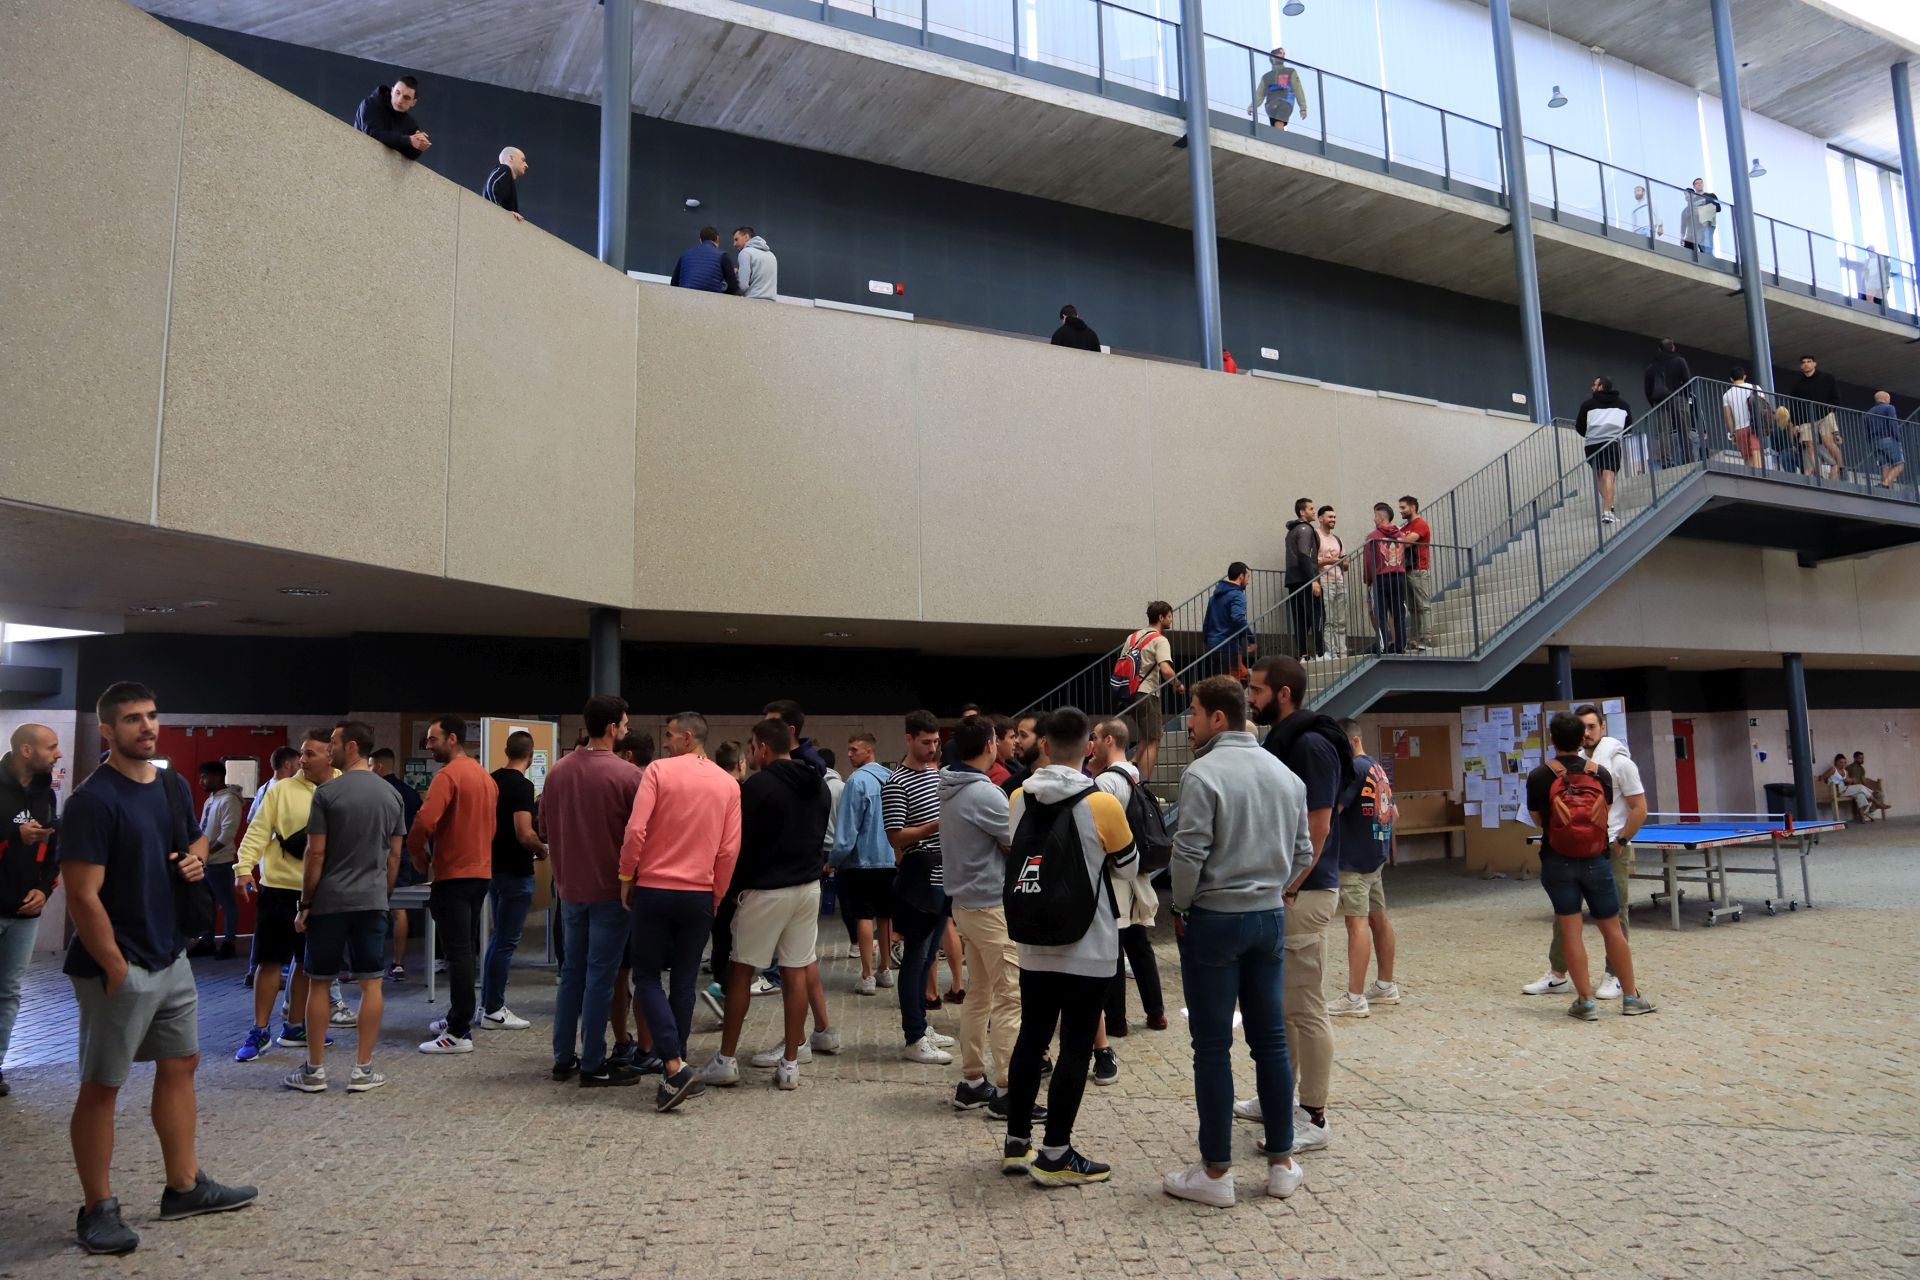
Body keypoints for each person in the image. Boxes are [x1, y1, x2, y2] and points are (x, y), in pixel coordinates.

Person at [61, 682, 256, 1255]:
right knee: (103, 1085)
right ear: (107, 731)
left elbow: (192, 837)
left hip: (171, 954)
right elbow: (81, 896)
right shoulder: (92, 801)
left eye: (150, 717)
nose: (145, 727)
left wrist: (196, 857)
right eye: (131, 720)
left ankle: (185, 1185)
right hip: (118, 963)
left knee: (182, 1063)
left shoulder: (169, 783)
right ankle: (97, 1206)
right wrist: (115, 965)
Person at [1160, 676, 1309, 1206]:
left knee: (1212, 1046)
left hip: (1215, 921)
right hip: (1269, 917)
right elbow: (1304, 852)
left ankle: (1217, 1173)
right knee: (1270, 1041)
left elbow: (1188, 854)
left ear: (1218, 718)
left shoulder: (1203, 774)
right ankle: (1282, 1163)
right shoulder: (1285, 775)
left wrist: (1182, 905)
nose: (1190, 722)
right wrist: (1274, 887)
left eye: (1194, 713)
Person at [1000, 707, 1139, 1186]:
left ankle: (1017, 1145)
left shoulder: (1018, 797)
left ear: (1043, 746)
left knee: (1031, 1038)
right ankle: (1056, 1154)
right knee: (1076, 1046)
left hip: (1034, 941)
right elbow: (1128, 866)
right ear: (1087, 748)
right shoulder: (1101, 803)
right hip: (1089, 942)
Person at [1245, 657, 1350, 1151]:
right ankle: (1277, 1098)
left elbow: (1319, 826)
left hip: (1305, 890)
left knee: (1305, 1006)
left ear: (1283, 693)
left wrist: (1288, 886)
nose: (1251, 697)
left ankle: (1315, 1116)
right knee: (1283, 1005)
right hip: (1290, 887)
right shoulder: (1285, 741)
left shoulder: (1308, 745)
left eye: (1257, 690)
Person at [620, 709, 739, 1110]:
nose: (665, 741)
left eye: (670, 735)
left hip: (654, 888)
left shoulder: (657, 772)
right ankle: (681, 1066)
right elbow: (728, 849)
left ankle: (672, 1064)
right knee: (684, 982)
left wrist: (626, 876)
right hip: (699, 893)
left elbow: (636, 829)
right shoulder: (728, 784)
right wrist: (717, 893)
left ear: (688, 737)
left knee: (647, 975)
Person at [284, 721, 406, 1094]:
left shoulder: (327, 793)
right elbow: (394, 855)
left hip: (330, 903)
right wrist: (381, 897)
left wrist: (305, 904)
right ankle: (363, 1070)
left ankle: (315, 1071)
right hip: (371, 901)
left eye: (334, 743)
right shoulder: (392, 796)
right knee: (371, 985)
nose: (330, 748)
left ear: (351, 747)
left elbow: (315, 852)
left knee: (320, 983)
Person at [707, 718, 828, 1092]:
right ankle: (791, 1063)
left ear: (761, 747)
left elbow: (739, 841)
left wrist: (728, 889)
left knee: (741, 969)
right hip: (808, 887)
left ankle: (726, 1059)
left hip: (765, 891)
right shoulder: (819, 785)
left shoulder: (758, 787)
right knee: (796, 971)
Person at [1526, 712, 1655, 1019]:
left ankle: (1584, 1001)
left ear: (1553, 740)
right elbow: (1605, 813)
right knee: (1612, 928)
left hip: (1557, 860)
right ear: (1581, 737)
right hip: (1597, 858)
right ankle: (1631, 997)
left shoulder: (1540, 776)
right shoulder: (1601, 774)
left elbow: (1538, 820)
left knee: (1571, 931)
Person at [544, 696, 645, 1087]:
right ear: (610, 728)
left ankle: (562, 1057)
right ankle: (593, 1063)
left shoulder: (557, 772)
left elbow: (546, 829)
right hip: (610, 890)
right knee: (602, 976)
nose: (625, 729)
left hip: (569, 888)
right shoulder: (628, 776)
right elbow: (640, 836)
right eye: (623, 724)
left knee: (572, 973)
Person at [233, 731, 338, 1065]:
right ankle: (259, 1030)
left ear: (331, 755)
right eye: (302, 753)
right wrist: (243, 869)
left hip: (320, 891)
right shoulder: (281, 791)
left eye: (310, 754)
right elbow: (257, 832)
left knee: (307, 963)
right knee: (269, 961)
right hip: (279, 889)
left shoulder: (341, 787)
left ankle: (294, 1026)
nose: (302, 760)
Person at [940, 715, 1021, 1111]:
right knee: (1010, 994)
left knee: (981, 994)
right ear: (990, 744)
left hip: (965, 903)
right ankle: (1008, 1089)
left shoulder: (949, 786)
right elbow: (1016, 841)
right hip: (991, 905)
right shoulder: (985, 794)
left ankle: (973, 1080)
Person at [407, 715, 498, 1055]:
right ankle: (458, 1014)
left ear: (453, 738)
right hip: (479, 875)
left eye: (433, 739)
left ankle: (459, 1032)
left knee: (458, 953)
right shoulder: (484, 777)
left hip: (454, 876)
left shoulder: (448, 776)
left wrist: (417, 853)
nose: (428, 746)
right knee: (466, 951)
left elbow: (424, 821)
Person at [884, 710, 955, 1065]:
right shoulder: (896, 781)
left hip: (944, 872)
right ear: (909, 739)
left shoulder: (936, 774)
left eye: (936, 742)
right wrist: (935, 826)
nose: (932, 748)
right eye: (926, 742)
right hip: (920, 873)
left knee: (929, 956)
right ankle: (914, 1035)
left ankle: (922, 1027)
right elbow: (895, 835)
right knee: (915, 956)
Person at [1089, 720, 1166, 1036]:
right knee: (1140, 944)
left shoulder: (1106, 781)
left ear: (1109, 739)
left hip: (1115, 872)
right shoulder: (1135, 774)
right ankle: (1156, 1012)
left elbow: (1096, 827)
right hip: (1138, 870)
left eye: (1095, 737)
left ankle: (1117, 1021)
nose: (1091, 743)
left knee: (1114, 947)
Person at [0, 723, 60, 1097]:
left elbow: (53, 851)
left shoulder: (46, 793)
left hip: (25, 915)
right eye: (51, 747)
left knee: (8, 993)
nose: (58, 753)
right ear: (26, 750)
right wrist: (11, 838)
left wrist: (43, 889)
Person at [1329, 720, 1398, 1017]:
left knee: (1355, 924)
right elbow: (1394, 811)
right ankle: (1385, 986)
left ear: (1354, 741)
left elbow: (1334, 812)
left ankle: (1354, 998)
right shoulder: (1377, 768)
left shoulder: (1354, 769)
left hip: (1354, 860)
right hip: (1374, 856)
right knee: (1378, 918)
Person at [480, 731, 546, 1032]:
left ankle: (488, 1003)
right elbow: (524, 832)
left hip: (492, 868)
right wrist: (540, 848)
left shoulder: (490, 780)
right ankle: (494, 1008)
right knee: (505, 941)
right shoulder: (522, 786)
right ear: (531, 757)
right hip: (517, 872)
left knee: (497, 939)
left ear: (506, 750)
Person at [831, 731, 896, 993]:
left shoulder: (856, 782)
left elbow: (847, 831)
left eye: (854, 750)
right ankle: (886, 970)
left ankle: (867, 975)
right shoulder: (891, 778)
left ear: (869, 750)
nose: (849, 754)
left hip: (862, 861)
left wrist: (835, 859)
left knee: (863, 916)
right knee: (886, 916)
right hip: (890, 858)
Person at [371, 748, 423, 980]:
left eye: (371, 766)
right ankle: (399, 964)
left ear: (380, 766)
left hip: (380, 854)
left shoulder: (376, 792)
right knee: (399, 909)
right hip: (405, 854)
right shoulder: (411, 793)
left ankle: (371, 962)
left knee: (374, 907)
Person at [1117, 601, 1181, 784]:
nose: (1171, 619)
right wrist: (1177, 684)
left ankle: (1134, 761)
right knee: (1154, 739)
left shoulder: (1133, 637)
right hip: (1147, 694)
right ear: (1161, 617)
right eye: (1169, 616)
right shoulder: (1159, 639)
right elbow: (1166, 670)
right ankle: (1142, 786)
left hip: (1128, 691)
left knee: (1152, 732)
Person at [187, 761, 242, 960]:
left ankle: (229, 943)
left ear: (218, 777)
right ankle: (207, 940)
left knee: (227, 902)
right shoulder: (211, 799)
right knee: (208, 903)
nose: (201, 781)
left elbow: (227, 833)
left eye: (205, 777)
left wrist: (207, 852)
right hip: (206, 861)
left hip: (220, 862)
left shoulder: (229, 800)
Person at [1574, 376, 1633, 524]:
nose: (1592, 387)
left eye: (1594, 384)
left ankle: (1610, 507)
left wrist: (1591, 435)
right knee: (1609, 476)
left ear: (1601, 387)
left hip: (1592, 444)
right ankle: (1607, 512)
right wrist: (1617, 434)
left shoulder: (1587, 404)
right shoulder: (1623, 405)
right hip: (1611, 443)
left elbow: (1580, 426)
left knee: (1601, 477)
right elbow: (1629, 425)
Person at [1362, 504, 1409, 655]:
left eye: (1376, 516)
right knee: (1398, 613)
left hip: (1381, 578)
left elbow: (1369, 561)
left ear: (1381, 518)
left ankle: (1382, 647)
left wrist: (1368, 581)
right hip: (1399, 576)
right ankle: (1401, 645)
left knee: (1380, 613)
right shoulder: (1401, 535)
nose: (1373, 518)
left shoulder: (1373, 537)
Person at [1643, 338, 1695, 465]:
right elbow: (1688, 380)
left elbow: (1648, 389)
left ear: (1659, 349)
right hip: (1679, 398)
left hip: (1661, 401)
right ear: (1673, 348)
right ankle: (1688, 459)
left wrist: (1653, 403)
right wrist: (1686, 396)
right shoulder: (1680, 361)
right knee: (1684, 429)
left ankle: (1666, 461)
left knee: (1663, 432)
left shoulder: (1652, 367)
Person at [353, 75, 430, 159]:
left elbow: (409, 156)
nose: (400, 100)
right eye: (397, 93)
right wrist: (408, 140)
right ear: (392, 91)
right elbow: (373, 134)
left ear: (413, 103)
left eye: (406, 98)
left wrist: (419, 146)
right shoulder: (371, 104)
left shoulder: (410, 124)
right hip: (358, 157)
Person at [1285, 497, 1322, 659]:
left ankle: (1303, 654)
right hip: (1306, 578)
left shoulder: (1292, 530)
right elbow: (1304, 554)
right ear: (1302, 512)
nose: (1314, 511)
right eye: (1311, 509)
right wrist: (1314, 579)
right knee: (1318, 615)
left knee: (1300, 618)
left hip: (1293, 579)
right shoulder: (1305, 529)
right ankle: (1321, 653)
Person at [1202, 562, 1253, 678]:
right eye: (1248, 576)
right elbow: (1238, 619)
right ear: (1241, 576)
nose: (1248, 581)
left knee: (1219, 683)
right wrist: (1251, 638)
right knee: (1232, 684)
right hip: (1229, 646)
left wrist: (1208, 642)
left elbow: (1207, 623)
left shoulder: (1214, 597)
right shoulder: (1237, 595)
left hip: (1214, 646)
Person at [1397, 495, 1434, 650]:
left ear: (1413, 507)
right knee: (1412, 607)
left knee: (1423, 605)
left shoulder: (1420, 524)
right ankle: (1414, 639)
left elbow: (1404, 542)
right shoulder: (1406, 527)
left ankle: (1427, 639)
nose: (1400, 511)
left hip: (1419, 568)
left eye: (1403, 507)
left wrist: (1401, 537)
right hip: (1408, 568)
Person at [1246, 47, 1310, 130]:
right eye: (1278, 55)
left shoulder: (1290, 72)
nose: (1281, 57)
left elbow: (1298, 89)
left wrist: (1303, 108)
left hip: (1285, 102)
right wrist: (1252, 106)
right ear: (1272, 58)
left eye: (1282, 55)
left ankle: (1279, 137)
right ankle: (1279, 139)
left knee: (1278, 122)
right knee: (1276, 127)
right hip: (1270, 105)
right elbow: (1259, 94)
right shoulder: (1266, 77)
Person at [1315, 506, 1347, 659]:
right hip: (1324, 581)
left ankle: (1342, 651)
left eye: (1334, 517)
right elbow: (1311, 562)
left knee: (1340, 620)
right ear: (1320, 518)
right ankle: (1331, 652)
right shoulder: (1315, 536)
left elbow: (1345, 563)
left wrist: (1343, 562)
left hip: (1339, 581)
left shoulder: (1337, 539)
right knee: (1328, 620)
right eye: (1330, 517)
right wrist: (1332, 560)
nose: (1333, 520)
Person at [1721, 367, 1768, 469]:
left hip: (1739, 429)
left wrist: (1732, 433)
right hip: (1755, 426)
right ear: (1744, 376)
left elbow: (1728, 417)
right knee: (1757, 452)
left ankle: (1751, 478)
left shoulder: (1727, 395)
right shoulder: (1755, 388)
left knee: (1747, 457)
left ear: (1731, 379)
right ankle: (1760, 476)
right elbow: (1764, 406)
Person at [670, 226, 732, 292]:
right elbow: (733, 287)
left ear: (700, 240)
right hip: (708, 299)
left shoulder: (685, 254)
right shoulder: (722, 256)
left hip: (684, 296)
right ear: (717, 240)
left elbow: (674, 283)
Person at [1868, 391, 1906, 488]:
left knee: (1885, 466)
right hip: (1888, 438)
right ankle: (1885, 484)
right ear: (1885, 398)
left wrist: (1870, 442)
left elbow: (1867, 429)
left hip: (1874, 442)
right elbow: (1893, 423)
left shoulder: (1869, 412)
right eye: (1888, 399)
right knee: (1900, 465)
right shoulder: (1889, 408)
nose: (1889, 401)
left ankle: (1886, 491)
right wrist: (1897, 438)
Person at [1826, 755, 1880, 822]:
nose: (1843, 764)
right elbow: (1822, 779)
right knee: (1860, 787)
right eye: (1840, 762)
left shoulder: (1845, 771)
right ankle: (1874, 797)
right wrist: (1827, 787)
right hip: (1836, 791)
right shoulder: (1833, 769)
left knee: (1860, 795)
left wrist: (1851, 781)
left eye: (1844, 762)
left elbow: (1847, 782)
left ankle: (1862, 817)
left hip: (1844, 790)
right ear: (1836, 762)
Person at [481, 147, 528, 222]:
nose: (526, 165)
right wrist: (499, 210)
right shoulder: (504, 169)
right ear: (511, 158)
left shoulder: (509, 180)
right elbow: (491, 186)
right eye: (523, 160)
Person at [1001, 713, 1042, 797]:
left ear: (1043, 740)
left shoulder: (1067, 780)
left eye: (1023, 735)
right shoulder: (1011, 786)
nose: (1016, 740)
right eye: (1016, 735)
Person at [733, 227, 778, 299]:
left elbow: (743, 286)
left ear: (746, 237)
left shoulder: (745, 253)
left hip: (752, 301)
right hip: (770, 304)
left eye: (736, 239)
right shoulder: (771, 255)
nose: (734, 244)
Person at [1680, 178, 1720, 252]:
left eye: (1701, 182)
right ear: (1694, 187)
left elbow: (1718, 208)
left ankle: (1708, 259)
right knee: (1697, 245)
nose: (1699, 184)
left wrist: (1703, 209)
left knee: (1706, 245)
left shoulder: (1710, 195)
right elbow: (1684, 222)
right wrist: (1682, 236)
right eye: (1697, 183)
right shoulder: (1693, 201)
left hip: (1707, 223)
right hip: (1696, 227)